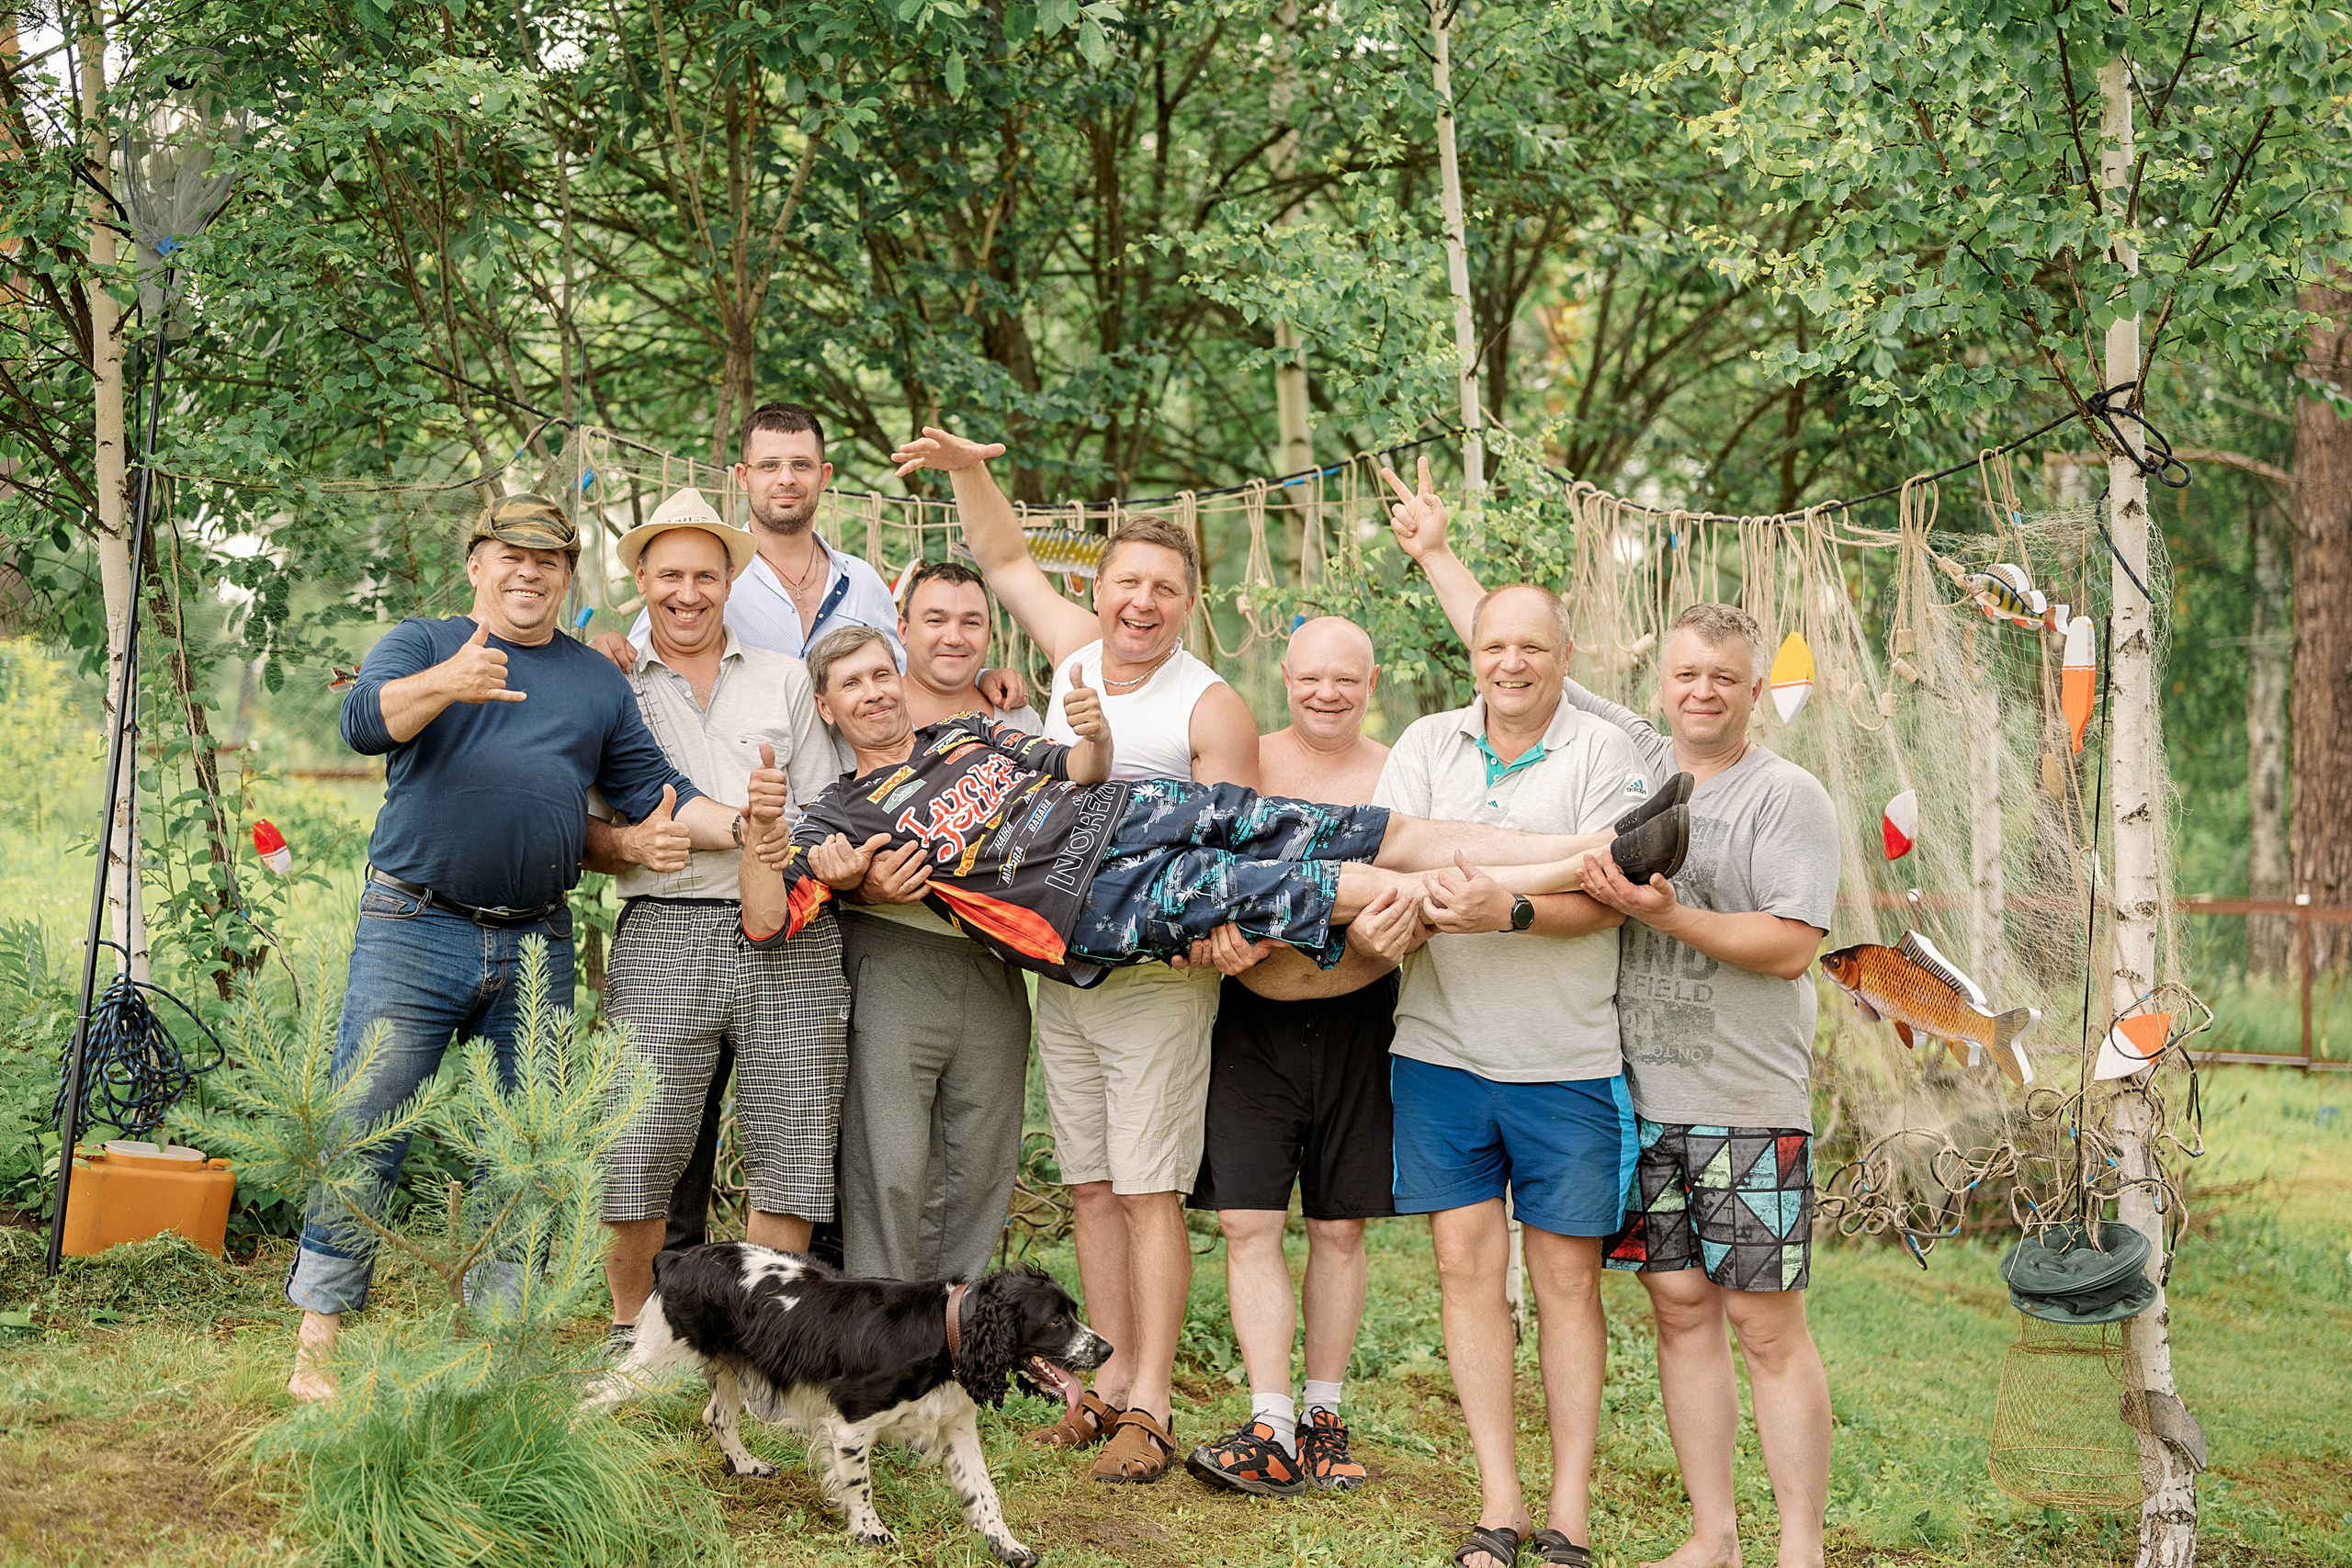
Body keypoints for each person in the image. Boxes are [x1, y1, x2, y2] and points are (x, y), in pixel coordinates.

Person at [1392, 479, 1838, 1568]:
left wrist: (1669, 911)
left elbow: (1789, 946)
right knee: (1679, 1311)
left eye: (1723, 679)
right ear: (1660, 683)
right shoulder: (1632, 757)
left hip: (1744, 1097)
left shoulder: (1787, 797)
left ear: (1749, 692)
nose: (1702, 693)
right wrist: (1436, 555)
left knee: (1764, 1325)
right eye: (1685, 674)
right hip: (1641, 1094)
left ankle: (1799, 1547)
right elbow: (1514, 656)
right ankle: (1713, 1535)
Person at [285, 494, 740, 1402]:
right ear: (477, 565)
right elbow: (364, 722)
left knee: (525, 1149)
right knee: (367, 1123)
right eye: (510, 556)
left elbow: (657, 793)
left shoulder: (594, 682)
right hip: (412, 927)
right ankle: (318, 1348)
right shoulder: (422, 643)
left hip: (535, 940)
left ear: (568, 577)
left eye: (548, 560)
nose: (529, 573)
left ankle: (496, 1355)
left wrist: (767, 824)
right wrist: (450, 682)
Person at [888, 424, 1264, 1484]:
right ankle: (1101, 1385)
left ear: (1189, 603)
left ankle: (1151, 1404)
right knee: (1093, 1187)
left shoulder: (1208, 703)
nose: (1141, 604)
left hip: (1157, 981)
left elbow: (1241, 844)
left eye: (1164, 589)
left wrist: (1224, 925)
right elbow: (1005, 560)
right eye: (1125, 584)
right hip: (1063, 973)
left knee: (1148, 1193)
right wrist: (970, 469)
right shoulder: (1072, 659)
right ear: (1097, 591)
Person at [588, 403, 1023, 1256]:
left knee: (800, 1138)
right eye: (769, 464)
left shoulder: (864, 585)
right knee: (661, 1132)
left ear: (825, 477)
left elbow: (915, 668)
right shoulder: (660, 629)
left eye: (803, 464)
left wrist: (985, 679)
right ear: (742, 478)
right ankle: (654, 1322)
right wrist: (597, 643)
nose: (787, 478)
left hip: (811, 899)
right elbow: (619, 703)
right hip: (682, 909)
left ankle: (792, 1319)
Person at [743, 627, 1674, 983]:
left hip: (1136, 808)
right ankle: (1578, 864)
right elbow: (761, 922)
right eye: (851, 686)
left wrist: (1087, 731)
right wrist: (772, 845)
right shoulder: (839, 815)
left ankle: (1593, 843)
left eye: (880, 676)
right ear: (825, 707)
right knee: (1313, 884)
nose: (872, 694)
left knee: (1364, 829)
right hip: (1082, 902)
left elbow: (1076, 767)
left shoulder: (960, 733)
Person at [1369, 539, 1662, 1568]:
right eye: (1495, 644)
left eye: (1531, 646)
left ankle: (1567, 1510)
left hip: (1565, 1060)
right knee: (1464, 1271)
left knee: (1567, 1284)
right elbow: (1389, 852)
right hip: (1439, 1052)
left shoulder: (1603, 756)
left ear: (1563, 654)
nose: (1510, 663)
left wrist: (1511, 908)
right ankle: (1497, 1503)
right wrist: (1397, 916)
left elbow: (1611, 891)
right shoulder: (1423, 743)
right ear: (1474, 653)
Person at [581, 489, 849, 1354]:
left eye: (705, 574)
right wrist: (629, 843)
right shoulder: (609, 681)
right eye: (669, 575)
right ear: (642, 582)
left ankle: (762, 1347)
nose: (687, 592)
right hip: (663, 928)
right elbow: (580, 822)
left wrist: (776, 834)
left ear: (731, 580)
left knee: (793, 1137)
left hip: (789, 928)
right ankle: (635, 1337)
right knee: (639, 1139)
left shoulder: (782, 675)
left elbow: (824, 805)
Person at [1182, 616, 1420, 1499]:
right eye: (1311, 677)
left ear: (1373, 679)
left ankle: (1324, 1414)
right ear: (1284, 675)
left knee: (1338, 1224)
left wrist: (1383, 946)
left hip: (1365, 1023)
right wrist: (1218, 939)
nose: (1327, 693)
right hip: (1249, 1023)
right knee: (1247, 1222)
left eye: (1345, 680)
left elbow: (1420, 899)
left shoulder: (1399, 770)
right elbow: (1199, 878)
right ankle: (1269, 1417)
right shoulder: (1250, 762)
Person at [833, 560, 1046, 1285]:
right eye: (935, 619)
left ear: (991, 633)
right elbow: (817, 835)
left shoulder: (1012, 717)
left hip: (995, 963)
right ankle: (876, 1350)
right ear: (901, 629)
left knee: (979, 1164)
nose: (954, 637)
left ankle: (951, 1350)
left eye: (971, 622)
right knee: (888, 1167)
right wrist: (864, 886)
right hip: (894, 955)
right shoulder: (868, 703)